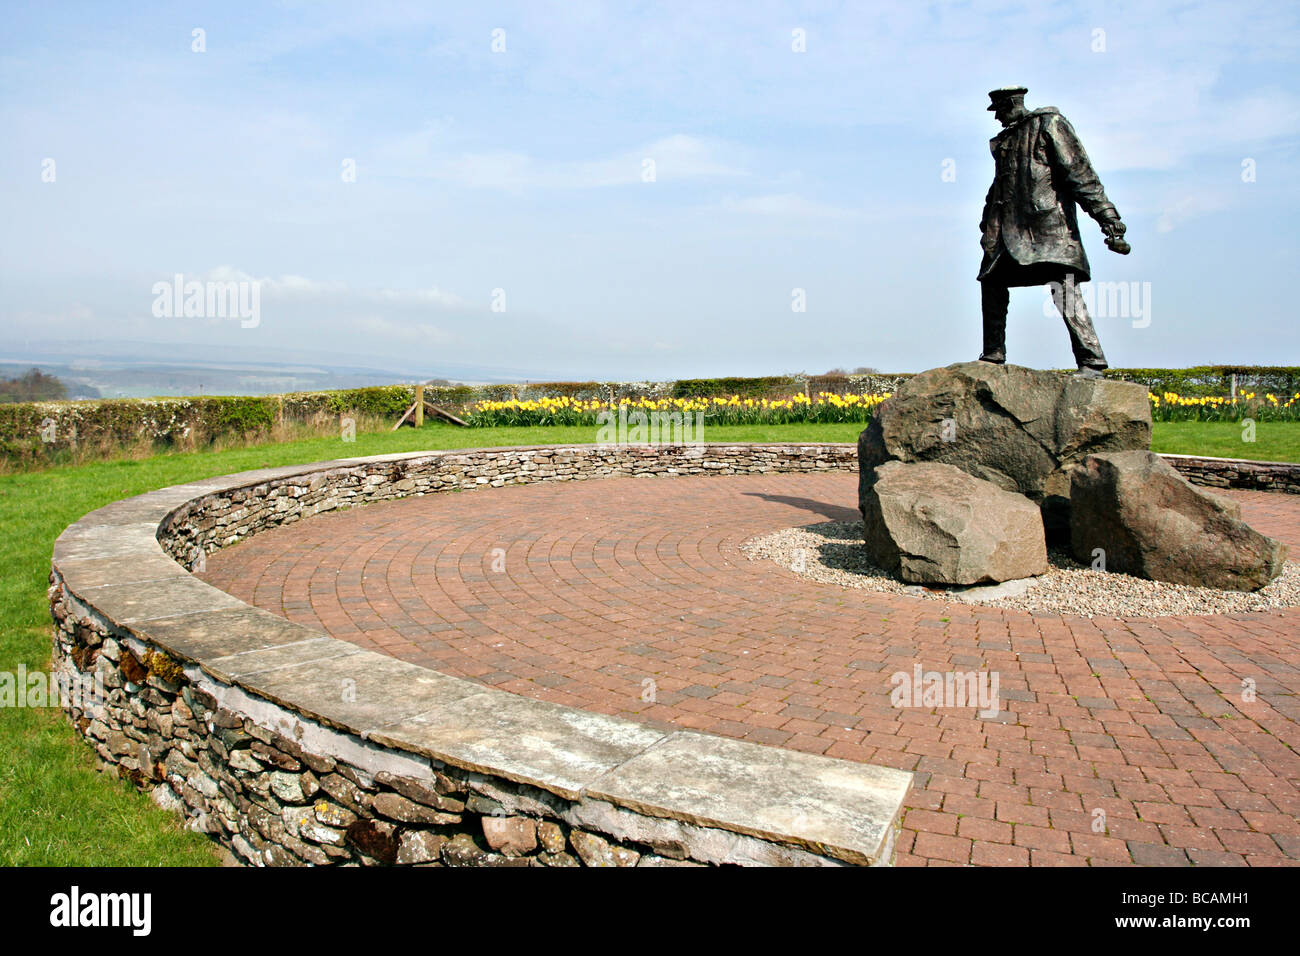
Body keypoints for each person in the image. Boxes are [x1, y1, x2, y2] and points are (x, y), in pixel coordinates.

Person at [978, 86, 1130, 378]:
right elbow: (998, 186)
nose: (997, 119)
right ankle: (993, 353)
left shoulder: (1048, 124)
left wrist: (1108, 220)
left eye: (999, 111)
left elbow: (1080, 175)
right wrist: (987, 223)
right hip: (1008, 233)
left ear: (1011, 104)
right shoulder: (1006, 140)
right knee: (991, 282)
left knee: (1065, 288)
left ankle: (1092, 360)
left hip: (1049, 229)